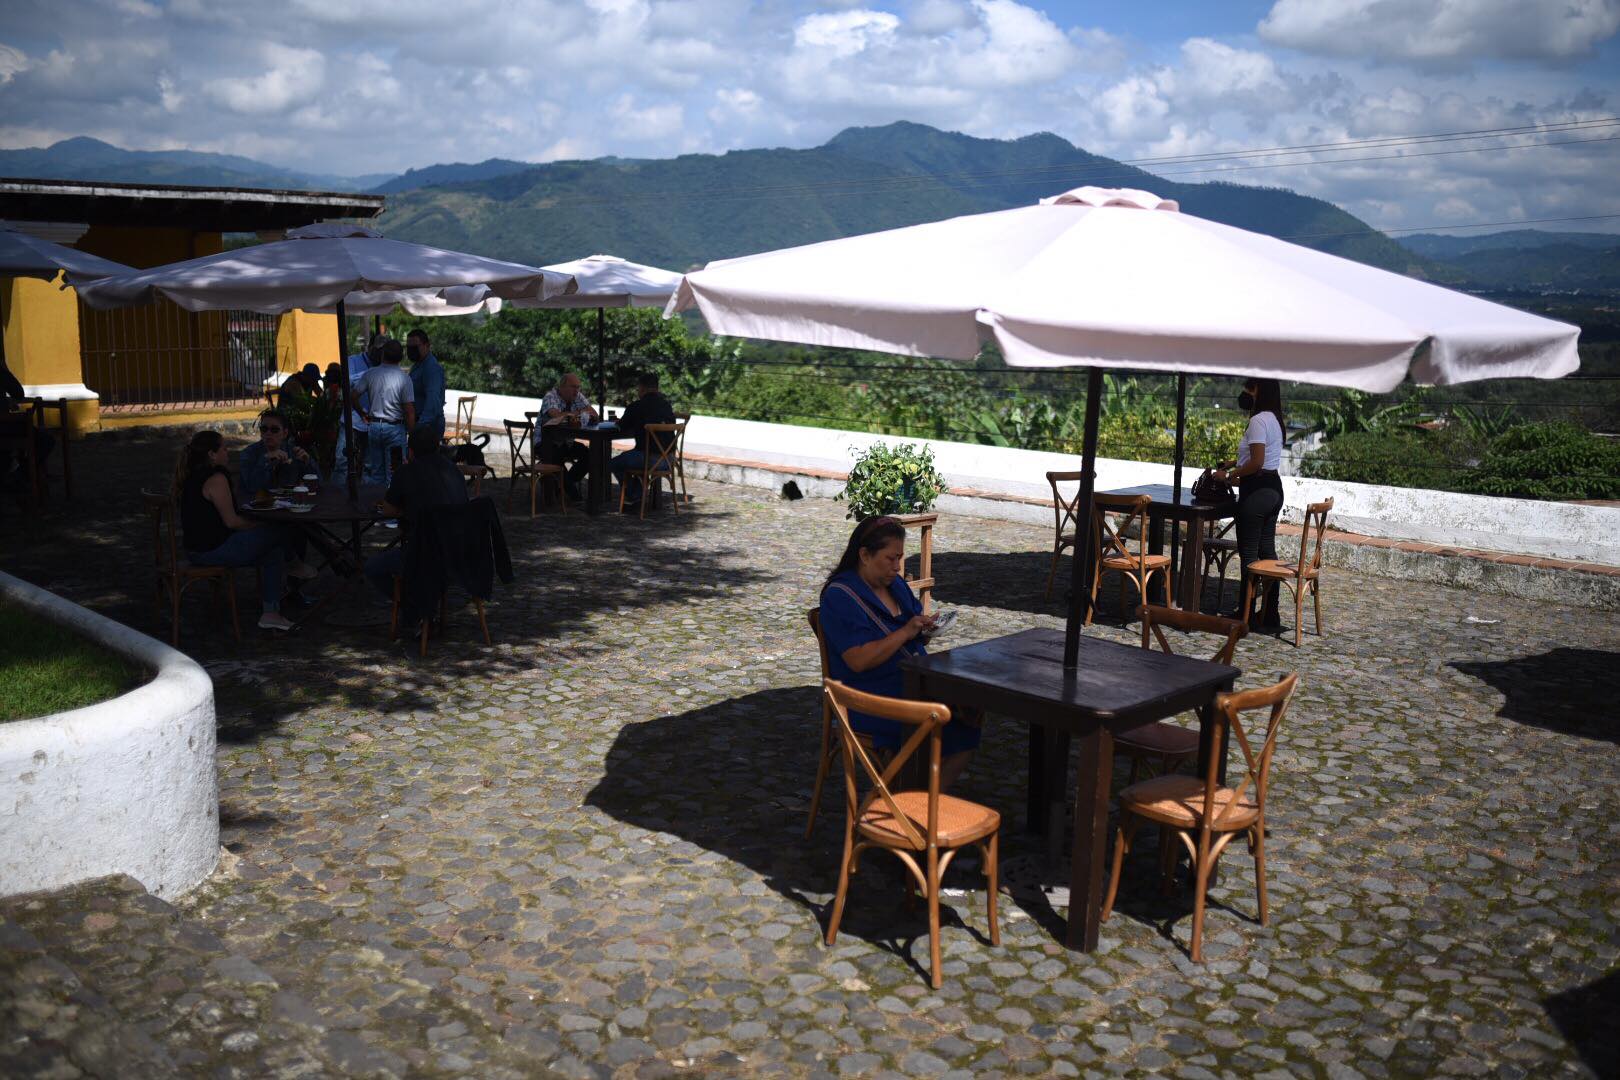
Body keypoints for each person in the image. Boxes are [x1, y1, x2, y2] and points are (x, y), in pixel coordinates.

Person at [818, 516, 980, 791]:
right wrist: (905, 632)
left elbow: (909, 630)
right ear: (865, 555)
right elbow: (858, 660)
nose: (897, 566)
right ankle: (908, 812)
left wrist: (924, 628)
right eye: (890, 558)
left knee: (971, 708)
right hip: (868, 697)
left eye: (900, 558)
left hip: (910, 681)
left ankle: (913, 804)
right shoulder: (840, 596)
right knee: (952, 727)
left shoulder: (896, 585)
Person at [176, 430, 316, 632]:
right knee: (280, 528)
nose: (227, 451)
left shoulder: (194, 475)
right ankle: (295, 564)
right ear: (211, 454)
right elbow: (232, 522)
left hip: (199, 547)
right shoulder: (215, 479)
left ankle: (271, 614)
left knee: (273, 553)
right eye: (223, 448)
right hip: (209, 550)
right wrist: (258, 525)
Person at [364, 425, 470, 604]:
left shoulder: (405, 472)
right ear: (438, 448)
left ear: (410, 451)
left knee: (372, 567)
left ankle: (413, 604)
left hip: (425, 555)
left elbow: (389, 510)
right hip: (461, 555)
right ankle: (422, 602)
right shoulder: (454, 470)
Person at [1214, 377, 1286, 631]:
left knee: (1249, 556)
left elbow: (1256, 462)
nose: (1245, 392)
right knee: (1268, 553)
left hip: (1255, 493)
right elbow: (1258, 459)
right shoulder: (1275, 419)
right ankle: (1270, 613)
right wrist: (1233, 465)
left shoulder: (1257, 421)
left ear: (1258, 390)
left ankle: (1243, 614)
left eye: (1249, 387)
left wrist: (1229, 477)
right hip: (1273, 489)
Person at [610, 370, 677, 510]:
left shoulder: (636, 406)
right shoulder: (667, 405)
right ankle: (640, 495)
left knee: (614, 463)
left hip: (647, 460)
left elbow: (621, 427)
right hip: (669, 460)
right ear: (657, 388)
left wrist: (620, 422)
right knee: (634, 455)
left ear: (641, 388)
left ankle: (636, 496)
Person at [358, 338, 416, 486]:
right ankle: (392, 506)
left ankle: (378, 505)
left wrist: (362, 413)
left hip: (375, 427)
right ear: (401, 357)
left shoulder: (370, 374)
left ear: (383, 354)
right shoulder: (404, 378)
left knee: (376, 474)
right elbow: (409, 412)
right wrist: (413, 439)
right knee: (395, 474)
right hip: (395, 430)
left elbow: (352, 395)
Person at [536, 371, 597, 500]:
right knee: (555, 458)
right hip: (544, 443)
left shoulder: (577, 396)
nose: (576, 390)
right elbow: (556, 415)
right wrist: (580, 412)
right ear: (562, 387)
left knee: (591, 455)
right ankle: (574, 495)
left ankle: (561, 486)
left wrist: (575, 413)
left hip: (565, 442)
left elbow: (594, 414)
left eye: (578, 387)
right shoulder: (550, 396)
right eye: (573, 387)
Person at [1, 351, 54, 487]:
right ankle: (23, 472)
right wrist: (5, 370)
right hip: (5, 428)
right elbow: (19, 393)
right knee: (46, 440)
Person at [332, 335, 380, 485]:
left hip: (373, 422)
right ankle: (337, 499)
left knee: (370, 467)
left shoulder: (385, 365)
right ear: (370, 347)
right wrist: (371, 374)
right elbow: (348, 381)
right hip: (351, 420)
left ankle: (368, 498)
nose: (381, 354)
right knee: (342, 462)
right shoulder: (352, 361)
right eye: (379, 350)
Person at [238, 408, 318, 495]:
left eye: (274, 430)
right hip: (256, 505)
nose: (268, 433)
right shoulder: (248, 454)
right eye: (264, 429)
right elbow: (252, 487)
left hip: (289, 504)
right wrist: (266, 460)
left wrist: (308, 463)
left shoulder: (293, 452)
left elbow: (318, 485)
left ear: (285, 433)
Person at [406, 329, 447, 446]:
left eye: (415, 347)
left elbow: (432, 402)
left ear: (427, 345)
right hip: (423, 425)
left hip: (427, 427)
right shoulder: (419, 365)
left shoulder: (431, 368)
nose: (411, 351)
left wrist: (418, 428)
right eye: (408, 347)